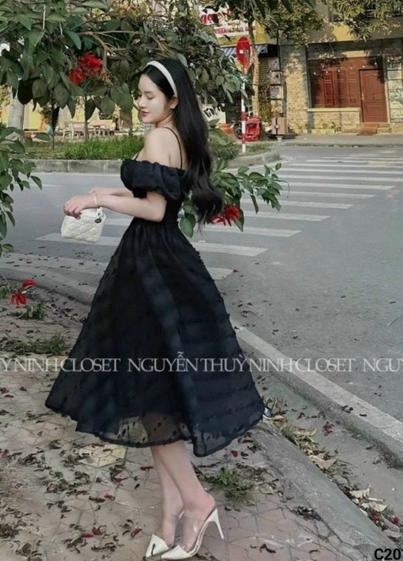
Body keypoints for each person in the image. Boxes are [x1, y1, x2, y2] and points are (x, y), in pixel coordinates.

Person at [46, 58, 266, 559]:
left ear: (172, 100)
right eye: (139, 94)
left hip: (151, 268)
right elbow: (149, 192)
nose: (141, 102)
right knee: (157, 397)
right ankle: (171, 514)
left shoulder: (161, 138)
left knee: (149, 395)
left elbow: (154, 208)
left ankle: (198, 501)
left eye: (149, 95)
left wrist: (99, 200)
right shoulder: (175, 136)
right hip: (159, 262)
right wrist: (100, 193)